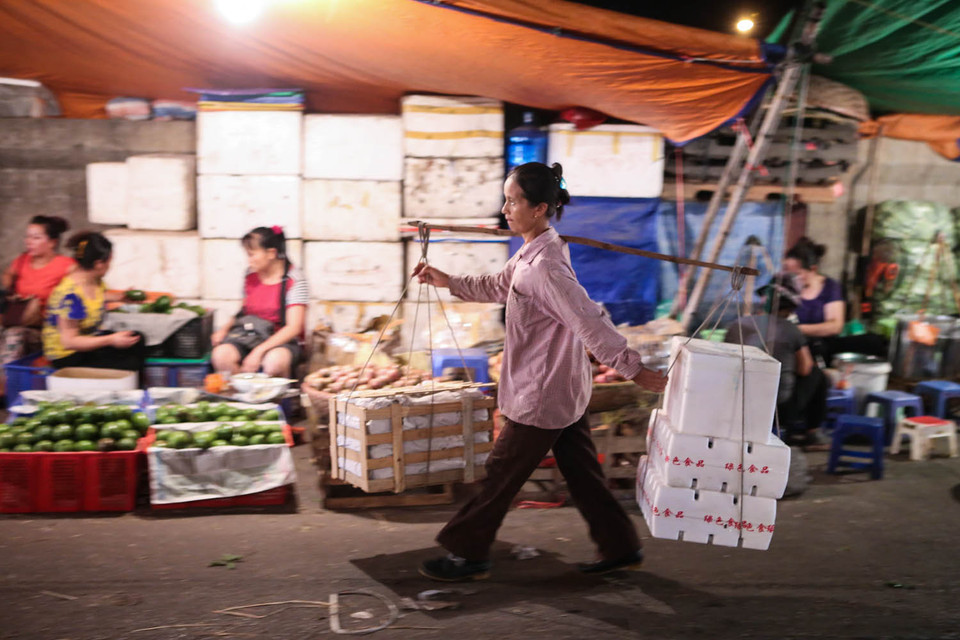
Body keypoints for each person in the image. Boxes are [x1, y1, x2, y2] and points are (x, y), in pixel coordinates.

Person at [412, 162, 668, 582]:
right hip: (560, 390)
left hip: (542, 394)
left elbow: (588, 320)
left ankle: (467, 553)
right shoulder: (533, 253)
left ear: (540, 208)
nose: (505, 210)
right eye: (505, 200)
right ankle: (621, 548)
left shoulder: (545, 265)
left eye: (513, 202)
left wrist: (633, 369)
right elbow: (499, 285)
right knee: (583, 475)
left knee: (500, 475)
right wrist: (448, 281)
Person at [724, 273, 829, 449]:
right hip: (777, 412)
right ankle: (813, 433)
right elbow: (805, 369)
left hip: (736, 403)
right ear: (789, 309)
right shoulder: (791, 329)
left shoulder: (738, 324)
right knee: (817, 374)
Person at [211, 226, 308, 378]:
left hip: (280, 340)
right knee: (221, 355)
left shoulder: (294, 280)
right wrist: (224, 329)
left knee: (274, 362)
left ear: (271, 253)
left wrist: (258, 352)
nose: (248, 261)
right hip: (249, 334)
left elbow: (293, 327)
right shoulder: (250, 274)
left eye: (252, 255)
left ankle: (275, 394)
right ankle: (240, 391)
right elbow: (243, 310)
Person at [42, 231, 144, 373]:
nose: (109, 266)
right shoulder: (70, 296)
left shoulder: (94, 280)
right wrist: (111, 339)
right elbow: (69, 342)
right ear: (99, 264)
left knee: (136, 339)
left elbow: (95, 296)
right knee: (129, 363)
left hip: (87, 344)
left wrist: (121, 297)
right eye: (109, 262)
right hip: (68, 356)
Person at [1, 216, 76, 390]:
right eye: (27, 237)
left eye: (36, 237)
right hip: (18, 320)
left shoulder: (66, 265)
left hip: (45, 330)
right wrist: (10, 285)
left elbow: (83, 287)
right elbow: (7, 275)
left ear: (52, 242)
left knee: (15, 335)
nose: (29, 242)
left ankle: (5, 387)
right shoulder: (22, 261)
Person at [783, 237, 885, 364]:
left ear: (813, 269)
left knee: (872, 341)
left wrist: (797, 329)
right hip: (790, 345)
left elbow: (835, 326)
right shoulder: (784, 287)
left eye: (796, 274)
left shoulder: (830, 288)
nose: (790, 277)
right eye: (786, 271)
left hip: (820, 347)